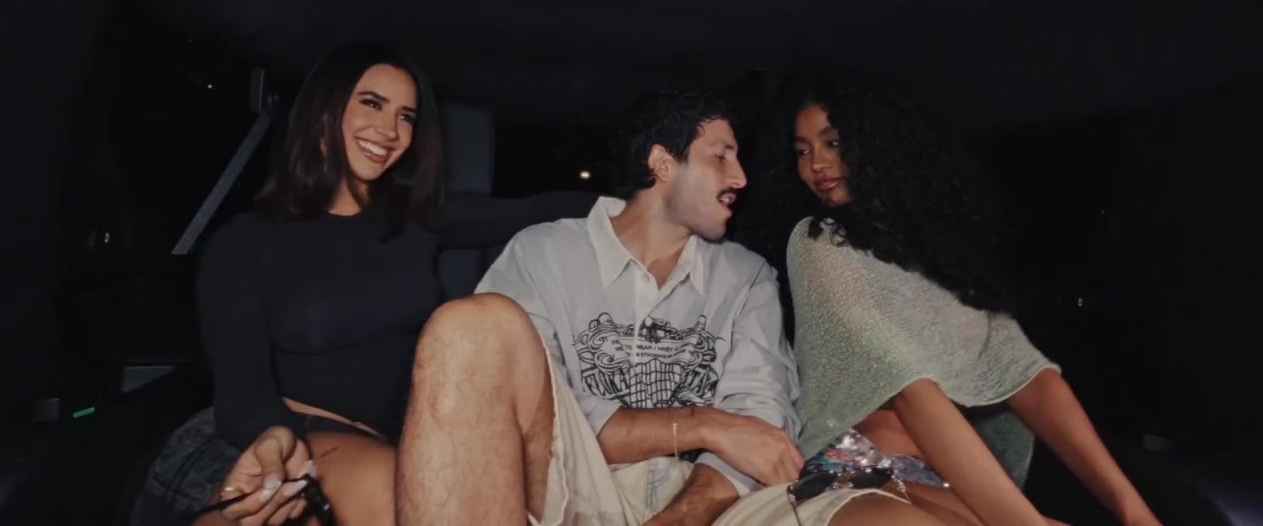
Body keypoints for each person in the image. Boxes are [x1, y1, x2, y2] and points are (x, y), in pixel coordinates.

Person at [395, 92, 939, 526]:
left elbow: (759, 423)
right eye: (721, 156)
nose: (740, 178)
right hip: (575, 483)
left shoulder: (746, 276)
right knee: (467, 325)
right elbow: (539, 416)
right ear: (662, 164)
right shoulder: (543, 254)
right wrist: (705, 424)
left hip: (712, 496)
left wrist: (681, 517)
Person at [131, 43, 595, 525]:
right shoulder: (247, 241)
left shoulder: (417, 225)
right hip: (263, 435)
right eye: (372, 103)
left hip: (380, 445)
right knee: (399, 494)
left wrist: (634, 203)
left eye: (406, 117)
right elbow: (240, 389)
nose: (390, 131)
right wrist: (275, 436)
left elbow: (540, 209)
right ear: (323, 110)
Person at [741, 74, 1161, 526]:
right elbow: (902, 382)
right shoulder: (818, 243)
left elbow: (1025, 373)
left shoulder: (941, 257)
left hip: (933, 477)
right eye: (802, 151)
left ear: (880, 145)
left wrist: (1132, 510)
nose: (816, 165)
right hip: (851, 469)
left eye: (833, 143)